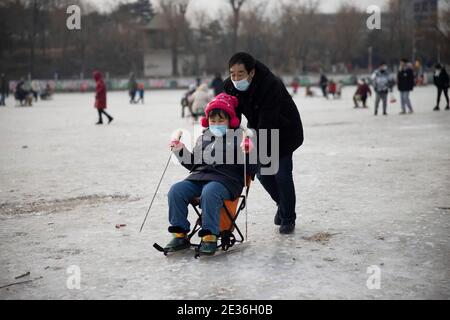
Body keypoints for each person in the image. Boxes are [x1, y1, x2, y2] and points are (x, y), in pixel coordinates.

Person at [165, 93, 257, 255]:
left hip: (226, 181)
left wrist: (249, 152)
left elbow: (252, 168)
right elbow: (194, 164)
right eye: (213, 121)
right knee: (176, 190)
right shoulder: (203, 138)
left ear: (230, 121)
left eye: (221, 120)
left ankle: (209, 236)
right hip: (199, 177)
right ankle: (180, 234)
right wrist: (180, 151)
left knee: (210, 192)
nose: (216, 124)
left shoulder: (240, 138)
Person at [224, 52, 304, 234]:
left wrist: (254, 146)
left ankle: (288, 217)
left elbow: (268, 122)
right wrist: (232, 138)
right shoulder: (229, 86)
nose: (236, 78)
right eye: (232, 73)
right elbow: (233, 117)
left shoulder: (270, 85)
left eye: (240, 74)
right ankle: (282, 204)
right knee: (262, 174)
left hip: (284, 131)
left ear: (251, 73)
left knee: (281, 175)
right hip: (258, 129)